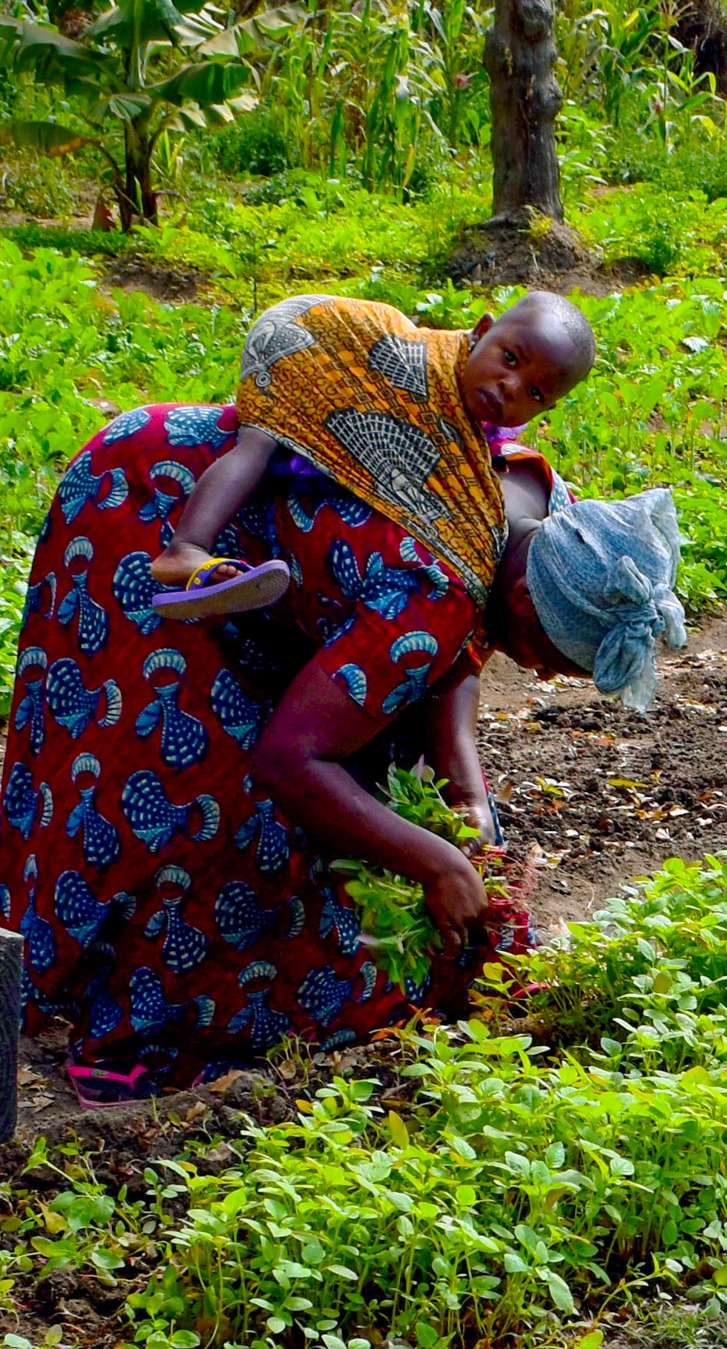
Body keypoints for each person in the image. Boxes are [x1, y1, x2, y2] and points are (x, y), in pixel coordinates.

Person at [0, 364, 684, 1105]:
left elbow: (450, 660)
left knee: (361, 765)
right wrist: (440, 865)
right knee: (189, 774)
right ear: (525, 596)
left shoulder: (549, 524)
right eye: (552, 657)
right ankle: (139, 1023)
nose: (545, 677)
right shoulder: (436, 588)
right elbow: (290, 760)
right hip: (151, 504)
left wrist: (467, 802)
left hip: (278, 554)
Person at [149, 290, 595, 618]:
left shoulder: (489, 427)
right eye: (510, 359)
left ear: (546, 408)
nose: (510, 385)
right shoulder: (428, 369)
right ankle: (186, 548)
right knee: (261, 443)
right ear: (481, 332)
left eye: (533, 391)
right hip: (307, 346)